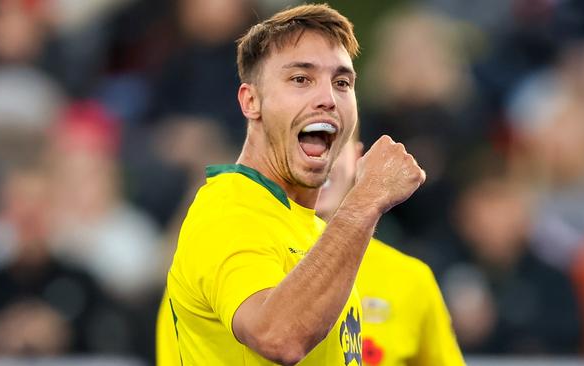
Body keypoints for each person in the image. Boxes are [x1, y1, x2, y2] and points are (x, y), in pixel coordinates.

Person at [158, 4, 425, 365]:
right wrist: (365, 200)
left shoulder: (313, 230)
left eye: (342, 83)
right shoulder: (228, 211)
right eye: (301, 79)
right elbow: (278, 337)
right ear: (251, 101)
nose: (328, 99)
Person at [314, 136, 465, 366]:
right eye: (305, 145)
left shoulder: (410, 279)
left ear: (357, 158)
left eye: (333, 145)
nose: (320, 160)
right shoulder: (251, 256)